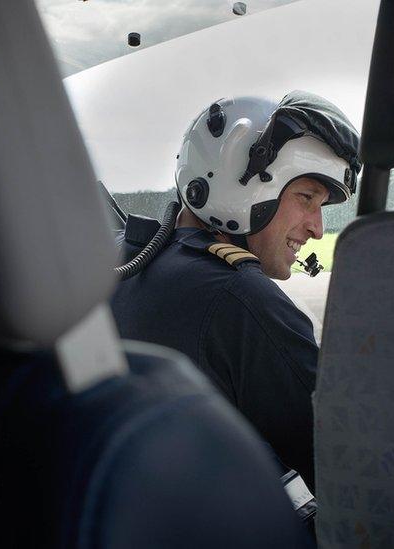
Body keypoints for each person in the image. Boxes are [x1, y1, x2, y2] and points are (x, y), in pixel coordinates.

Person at [111, 91, 361, 492]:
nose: (317, 228)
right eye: (306, 198)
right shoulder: (239, 297)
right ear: (237, 180)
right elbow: (351, 472)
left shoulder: (119, 255)